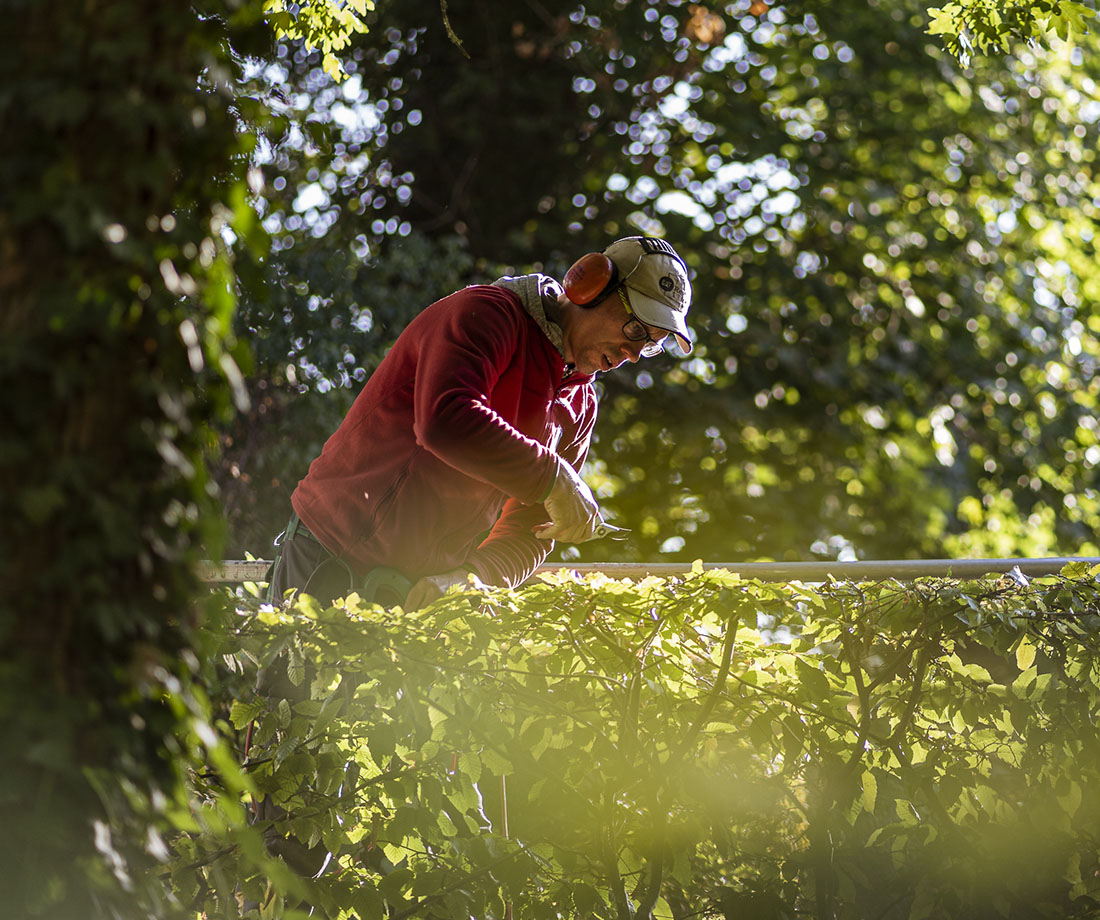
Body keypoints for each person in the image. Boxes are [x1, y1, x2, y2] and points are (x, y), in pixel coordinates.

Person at [267, 236, 694, 610]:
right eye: (635, 329)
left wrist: (472, 579)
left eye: (650, 344)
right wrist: (554, 477)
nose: (633, 354)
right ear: (589, 286)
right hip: (331, 555)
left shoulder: (581, 404)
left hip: (424, 593)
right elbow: (445, 420)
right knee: (297, 684)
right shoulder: (488, 314)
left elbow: (533, 528)